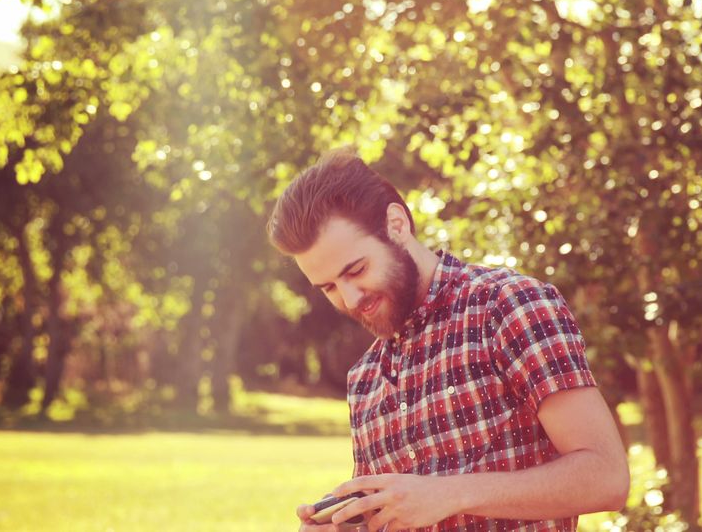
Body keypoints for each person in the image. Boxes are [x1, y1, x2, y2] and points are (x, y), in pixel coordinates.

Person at [267, 152, 629, 531]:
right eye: (329, 287)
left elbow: (606, 476)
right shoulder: (366, 378)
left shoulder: (508, 307)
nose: (351, 298)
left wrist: (449, 494)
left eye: (356, 270)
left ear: (396, 224)